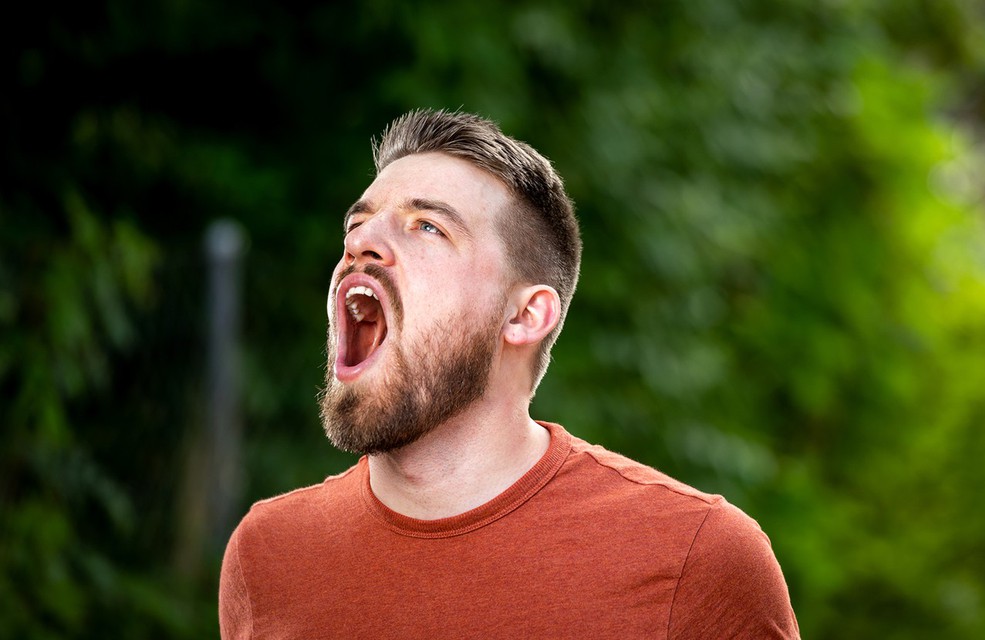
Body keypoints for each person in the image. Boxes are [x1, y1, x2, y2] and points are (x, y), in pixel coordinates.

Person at [219, 109, 799, 639]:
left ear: (525, 315)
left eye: (427, 227)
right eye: (359, 223)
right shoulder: (267, 557)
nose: (360, 243)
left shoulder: (698, 561)